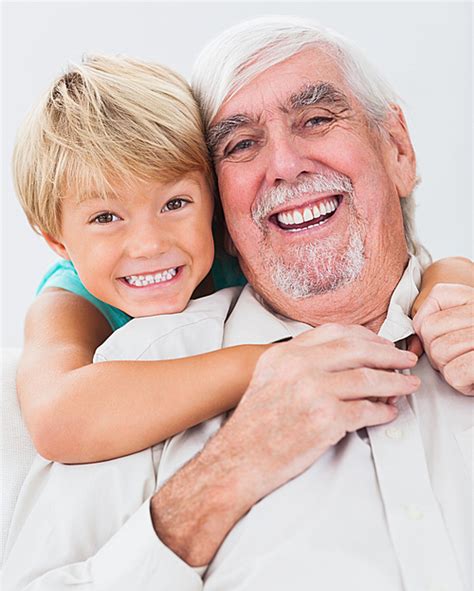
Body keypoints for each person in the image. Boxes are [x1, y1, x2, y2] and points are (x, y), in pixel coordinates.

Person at [2, 16, 473, 591]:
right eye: (242, 143)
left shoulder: (459, 308)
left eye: (316, 118)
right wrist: (228, 464)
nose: (283, 164)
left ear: (398, 147)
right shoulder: (127, 357)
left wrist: (454, 281)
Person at [12, 54, 472, 465]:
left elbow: (414, 263)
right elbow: (57, 418)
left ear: (214, 199)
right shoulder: (68, 300)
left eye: (174, 204)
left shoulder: (229, 240)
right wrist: (267, 362)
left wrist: (447, 287)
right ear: (58, 242)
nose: (149, 244)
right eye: (106, 217)